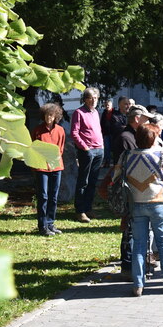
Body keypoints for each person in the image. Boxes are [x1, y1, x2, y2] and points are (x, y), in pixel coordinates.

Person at [111, 122, 163, 296]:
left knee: (138, 244)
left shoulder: (126, 155)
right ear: (154, 138)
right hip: (159, 203)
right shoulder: (162, 155)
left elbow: (115, 177)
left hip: (136, 204)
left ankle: (138, 284)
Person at [114, 104, 155, 280]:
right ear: (137, 119)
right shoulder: (127, 137)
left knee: (133, 230)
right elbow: (124, 167)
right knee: (129, 231)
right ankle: (127, 265)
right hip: (130, 192)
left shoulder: (133, 136)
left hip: (137, 191)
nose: (148, 123)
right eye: (146, 120)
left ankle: (134, 265)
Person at [30, 103, 65, 236]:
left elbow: (60, 149)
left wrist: (53, 160)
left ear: (56, 116)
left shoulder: (60, 130)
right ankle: (42, 225)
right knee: (43, 196)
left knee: (53, 196)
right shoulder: (37, 130)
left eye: (51, 115)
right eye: (46, 115)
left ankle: (51, 223)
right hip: (41, 167)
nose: (48, 118)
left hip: (56, 166)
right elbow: (34, 148)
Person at [71, 87, 105, 222]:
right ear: (85, 99)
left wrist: (102, 146)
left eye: (95, 98)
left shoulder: (96, 112)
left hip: (99, 150)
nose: (93, 100)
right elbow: (74, 133)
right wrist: (85, 148)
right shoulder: (78, 112)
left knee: (93, 181)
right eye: (90, 98)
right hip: (87, 151)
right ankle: (80, 211)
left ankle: (88, 208)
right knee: (83, 181)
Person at [99, 98, 117, 167]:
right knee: (107, 148)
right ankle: (107, 162)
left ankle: (116, 162)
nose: (107, 106)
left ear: (111, 105)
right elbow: (101, 123)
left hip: (113, 133)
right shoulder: (104, 113)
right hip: (106, 133)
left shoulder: (115, 113)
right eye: (106, 105)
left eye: (108, 105)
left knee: (114, 148)